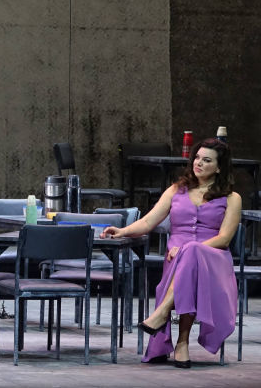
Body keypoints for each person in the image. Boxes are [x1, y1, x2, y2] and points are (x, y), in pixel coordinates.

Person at [101, 138, 241, 368]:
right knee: (188, 262)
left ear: (219, 167)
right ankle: (181, 343)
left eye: (206, 160)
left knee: (192, 251)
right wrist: (122, 231)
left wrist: (187, 249)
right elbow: (148, 222)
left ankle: (165, 314)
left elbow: (224, 238)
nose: (198, 163)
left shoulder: (232, 198)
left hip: (213, 260)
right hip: (176, 260)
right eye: (197, 158)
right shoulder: (176, 190)